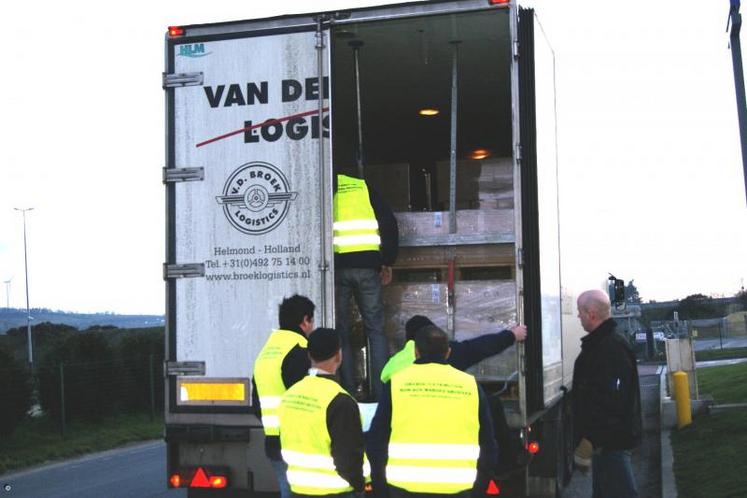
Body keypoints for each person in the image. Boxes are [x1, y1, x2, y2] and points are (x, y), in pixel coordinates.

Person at [379, 315, 528, 477]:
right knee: (491, 403)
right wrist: (512, 335)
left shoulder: (394, 363)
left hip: (405, 450)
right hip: (446, 436)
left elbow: (378, 434)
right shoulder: (448, 355)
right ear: (446, 350)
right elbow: (480, 347)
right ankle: (507, 462)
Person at [366, 325, 498, 498]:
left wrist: (381, 489)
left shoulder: (397, 383)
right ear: (448, 352)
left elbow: (377, 441)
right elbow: (488, 445)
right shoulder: (471, 386)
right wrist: (478, 489)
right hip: (459, 490)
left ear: (415, 352)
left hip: (403, 489)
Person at [277, 327, 367, 497]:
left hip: (298, 489)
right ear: (339, 356)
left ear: (309, 355)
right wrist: (359, 485)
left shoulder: (290, 394)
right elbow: (348, 457)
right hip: (336, 490)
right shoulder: (341, 400)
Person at [333, 173, 399, 400]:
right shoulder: (365, 190)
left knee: (341, 333)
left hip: (337, 269)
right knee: (375, 331)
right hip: (368, 269)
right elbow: (388, 223)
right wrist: (387, 260)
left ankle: (348, 392)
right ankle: (381, 394)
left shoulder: (326, 190)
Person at [572, 289, 642, 498]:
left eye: (580, 312)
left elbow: (613, 402)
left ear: (591, 313)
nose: (578, 316)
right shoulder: (601, 345)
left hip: (612, 444)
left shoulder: (611, 348)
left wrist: (590, 440)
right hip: (604, 445)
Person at [252, 295, 316, 498]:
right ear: (305, 320)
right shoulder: (299, 351)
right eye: (311, 321)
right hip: (300, 443)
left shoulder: (267, 352)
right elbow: (308, 399)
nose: (312, 327)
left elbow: (257, 404)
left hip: (274, 442)